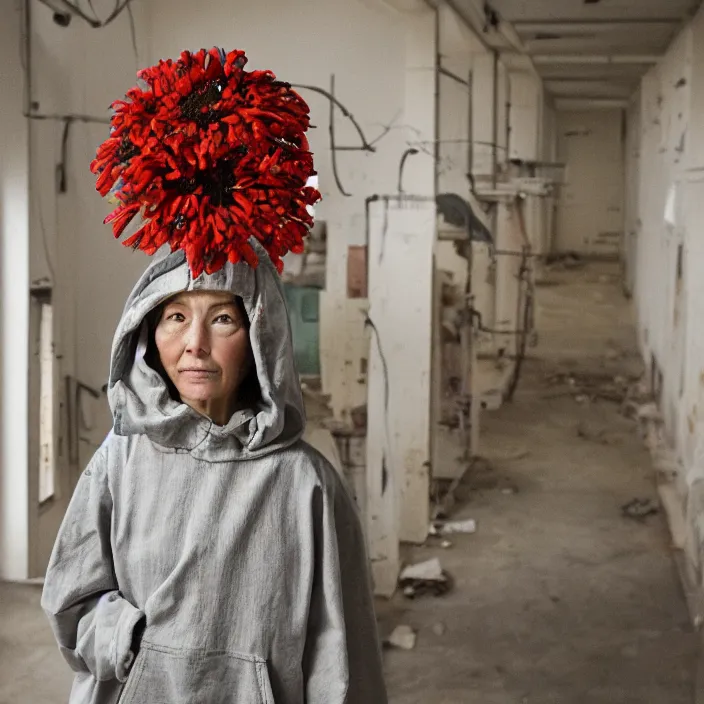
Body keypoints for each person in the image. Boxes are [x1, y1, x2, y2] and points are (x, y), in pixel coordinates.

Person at [41, 47, 388, 704]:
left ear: (259, 337)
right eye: (174, 317)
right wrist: (130, 641)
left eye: (221, 320)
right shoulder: (120, 461)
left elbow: (342, 660)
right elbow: (70, 603)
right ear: (147, 332)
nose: (193, 345)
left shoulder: (304, 485)